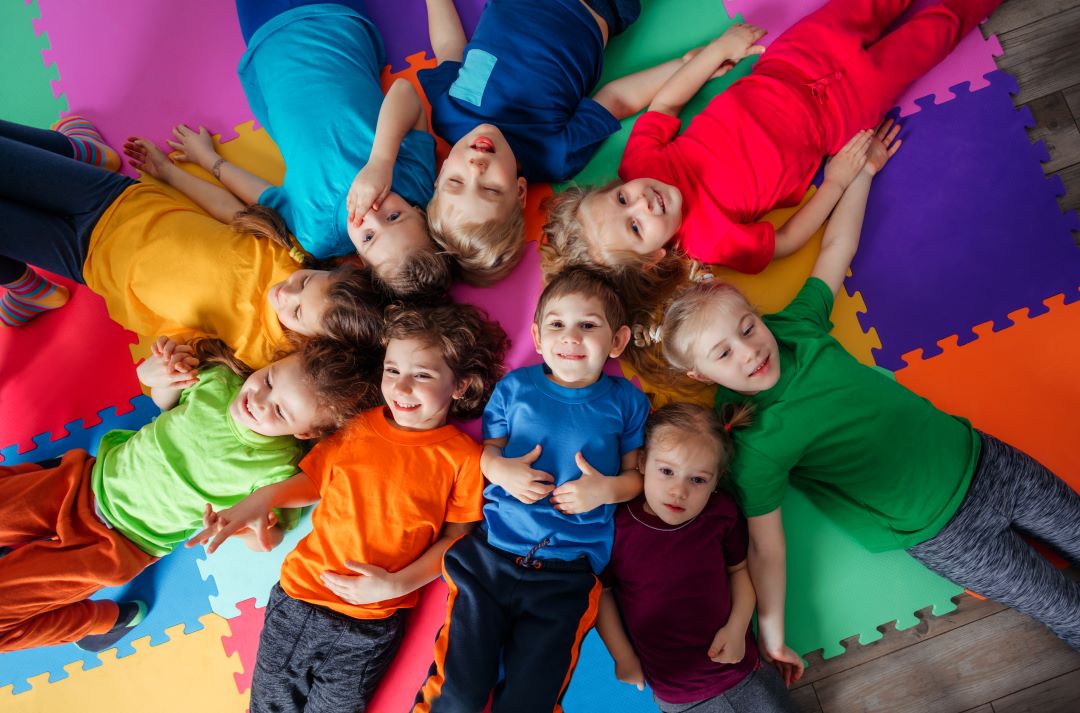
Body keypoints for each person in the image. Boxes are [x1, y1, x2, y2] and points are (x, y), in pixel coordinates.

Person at [656, 123, 1080, 663]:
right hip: (942, 532)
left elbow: (837, 248)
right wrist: (773, 635)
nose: (749, 351)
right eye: (723, 355)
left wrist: (860, 175)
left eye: (746, 328)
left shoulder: (796, 328)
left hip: (987, 459)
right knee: (1065, 610)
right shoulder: (754, 442)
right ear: (702, 377)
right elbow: (767, 547)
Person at [188, 302, 509, 713]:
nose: (401, 387)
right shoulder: (359, 426)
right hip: (299, 598)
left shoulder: (463, 457)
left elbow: (456, 539)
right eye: (392, 370)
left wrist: (399, 584)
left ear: (460, 386)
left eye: (422, 375)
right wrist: (262, 499)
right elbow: (314, 481)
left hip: (370, 624)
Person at [541, 0, 1001, 278]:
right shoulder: (710, 245)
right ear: (654, 257)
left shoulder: (641, 164)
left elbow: (664, 106)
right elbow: (785, 242)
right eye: (636, 227)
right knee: (933, 35)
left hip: (791, 62)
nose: (642, 203)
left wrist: (718, 51)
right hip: (841, 114)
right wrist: (838, 182)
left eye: (622, 199)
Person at [0, 334, 380, 652]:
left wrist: (252, 530)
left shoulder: (276, 469)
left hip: (116, 543)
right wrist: (157, 375)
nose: (259, 400)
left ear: (305, 433)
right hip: (79, 482)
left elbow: (268, 536)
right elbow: (165, 404)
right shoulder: (221, 383)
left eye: (279, 411)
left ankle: (105, 622)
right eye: (267, 380)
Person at [413, 267, 651, 712]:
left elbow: (636, 479)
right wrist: (503, 473)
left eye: (588, 325)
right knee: (459, 693)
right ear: (538, 338)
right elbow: (484, 453)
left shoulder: (627, 401)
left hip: (566, 576)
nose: (571, 337)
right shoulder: (516, 387)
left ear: (617, 342)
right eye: (558, 324)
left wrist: (602, 491)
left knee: (531, 699)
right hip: (491, 558)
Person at [0, 119, 385, 368]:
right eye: (305, 283)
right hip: (111, 199)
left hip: (85, 260)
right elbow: (228, 210)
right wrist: (168, 172)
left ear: (315, 346)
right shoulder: (289, 255)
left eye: (297, 312)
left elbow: (163, 373)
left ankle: (26, 286)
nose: (286, 294)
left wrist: (167, 367)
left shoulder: (263, 353)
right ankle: (78, 153)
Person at [165, 0, 451, 295]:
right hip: (334, 19)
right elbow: (405, 94)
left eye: (368, 237)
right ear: (419, 213)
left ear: (360, 262)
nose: (372, 213)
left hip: (268, 39)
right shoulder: (414, 185)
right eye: (394, 217)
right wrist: (380, 163)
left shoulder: (318, 236)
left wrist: (210, 160)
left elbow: (265, 196)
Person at [420, 0, 697, 286]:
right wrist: (688, 66)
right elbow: (616, 99)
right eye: (490, 189)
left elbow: (448, 47)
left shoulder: (448, 113)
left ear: (440, 175)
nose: (476, 168)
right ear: (519, 192)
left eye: (455, 181)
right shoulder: (554, 155)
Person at [596, 402, 799, 713]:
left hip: (742, 671)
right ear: (641, 462)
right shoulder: (617, 527)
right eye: (666, 471)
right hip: (678, 693)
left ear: (716, 481)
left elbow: (740, 572)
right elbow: (603, 595)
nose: (679, 491)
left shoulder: (721, 514)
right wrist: (622, 657)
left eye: (698, 480)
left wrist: (737, 627)